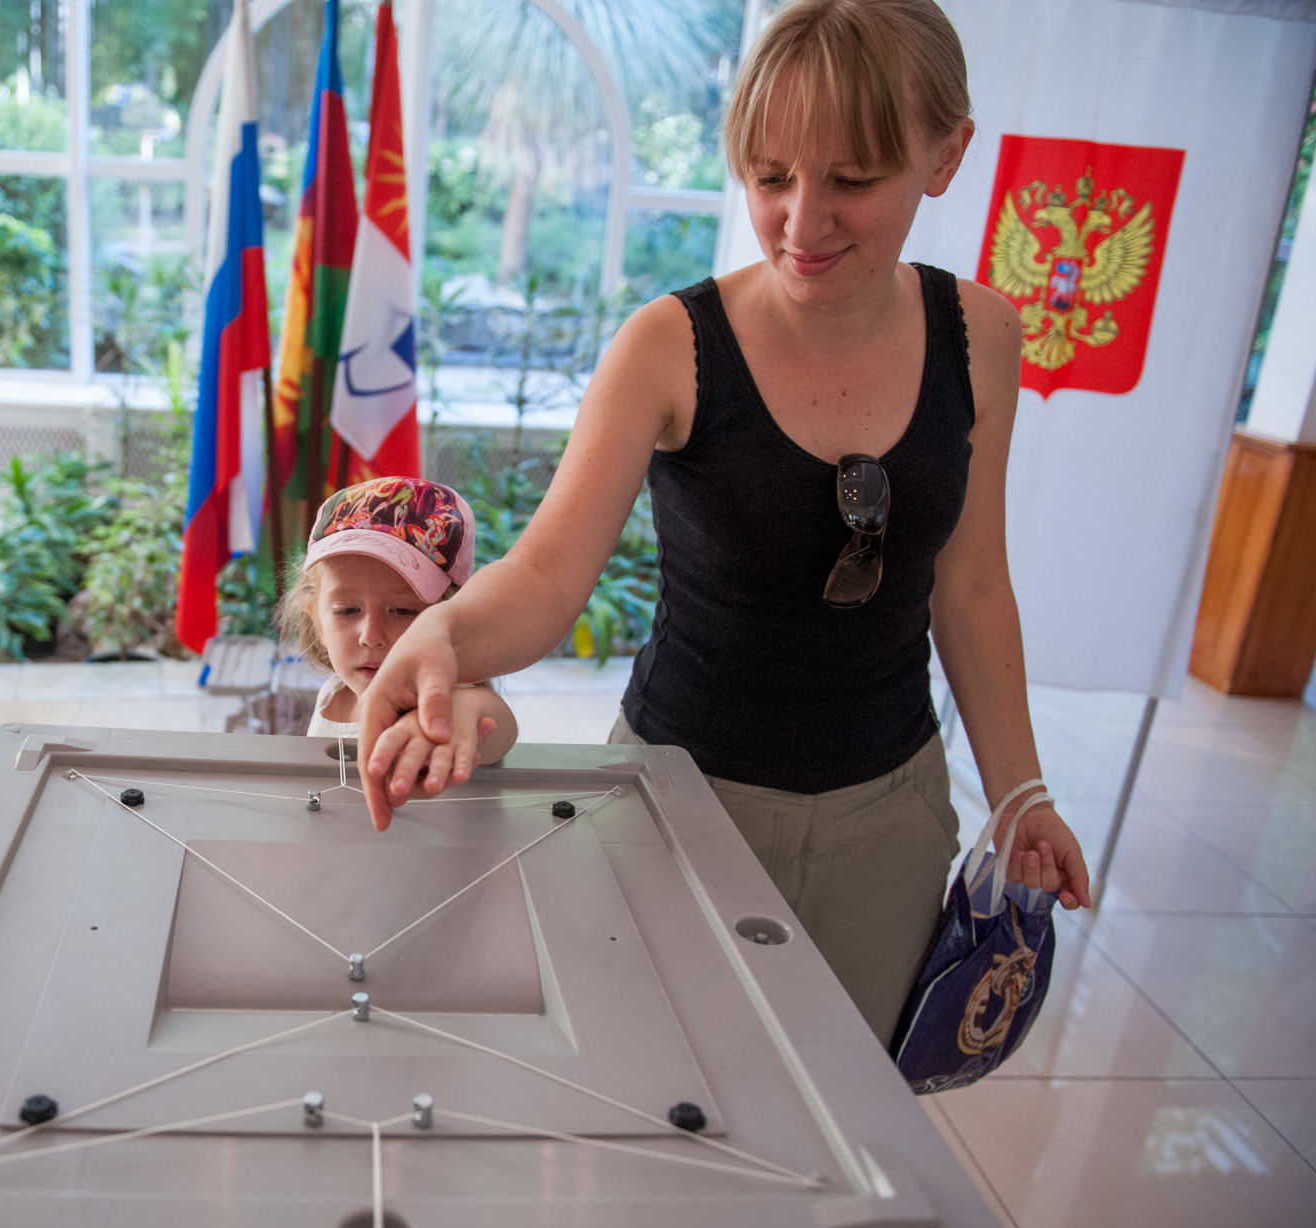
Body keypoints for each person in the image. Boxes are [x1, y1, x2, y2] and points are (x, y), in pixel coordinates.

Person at [356, 0, 1091, 1044]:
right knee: (653, 1078)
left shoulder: (983, 335)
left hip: (889, 817)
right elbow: (550, 575)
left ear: (946, 155)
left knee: (842, 1092)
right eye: (770, 176)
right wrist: (443, 633)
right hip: (680, 798)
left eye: (852, 180)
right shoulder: (667, 346)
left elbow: (970, 585)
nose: (801, 222)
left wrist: (1020, 795)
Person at [279, 476, 517, 790]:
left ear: (452, 620)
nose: (370, 636)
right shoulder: (333, 695)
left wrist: (446, 720)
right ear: (317, 622)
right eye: (347, 610)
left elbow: (496, 726)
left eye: (403, 611)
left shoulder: (449, 700)